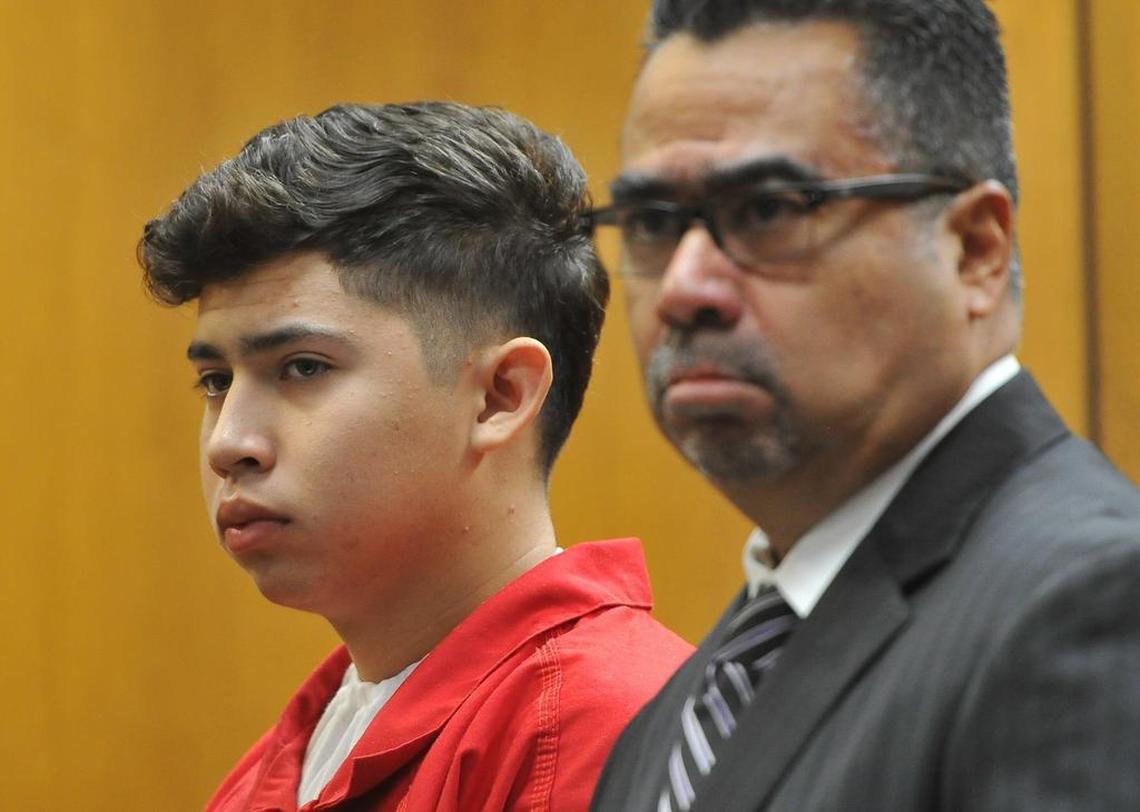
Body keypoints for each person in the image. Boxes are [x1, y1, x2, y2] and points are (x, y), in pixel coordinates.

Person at [585, 1, 1140, 810]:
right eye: (654, 223)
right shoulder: (672, 717)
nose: (684, 287)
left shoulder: (1090, 606)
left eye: (769, 209)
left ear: (974, 250)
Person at [138, 101, 692, 812]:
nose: (229, 444)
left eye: (302, 368)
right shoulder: (298, 748)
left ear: (498, 396)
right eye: (217, 382)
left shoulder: (606, 730)